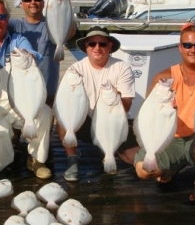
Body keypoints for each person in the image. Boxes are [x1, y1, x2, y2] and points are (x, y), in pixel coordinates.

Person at [131, 24, 195, 203]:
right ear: (180, 47)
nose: (193, 50)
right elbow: (147, 113)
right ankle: (170, 168)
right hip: (170, 138)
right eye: (188, 45)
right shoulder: (163, 78)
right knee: (143, 170)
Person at [0, 0, 53, 179]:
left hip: (18, 101)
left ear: (7, 19)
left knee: (44, 112)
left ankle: (36, 159)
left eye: (1, 16)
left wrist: (28, 55)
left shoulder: (17, 39)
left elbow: (33, 54)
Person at [57, 25, 136, 181]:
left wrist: (115, 99)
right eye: (92, 43)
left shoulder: (122, 68)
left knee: (134, 159)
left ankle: (108, 154)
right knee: (63, 120)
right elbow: (64, 100)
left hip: (113, 123)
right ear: (86, 47)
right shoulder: (75, 69)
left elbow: (127, 104)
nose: (97, 47)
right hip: (85, 120)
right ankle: (72, 159)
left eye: (102, 44)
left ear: (110, 46)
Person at [8, 0, 76, 107]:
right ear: (21, 4)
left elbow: (71, 32)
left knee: (46, 124)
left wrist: (65, 5)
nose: (32, 2)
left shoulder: (53, 24)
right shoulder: (14, 25)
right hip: (21, 91)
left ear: (44, 3)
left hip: (48, 92)